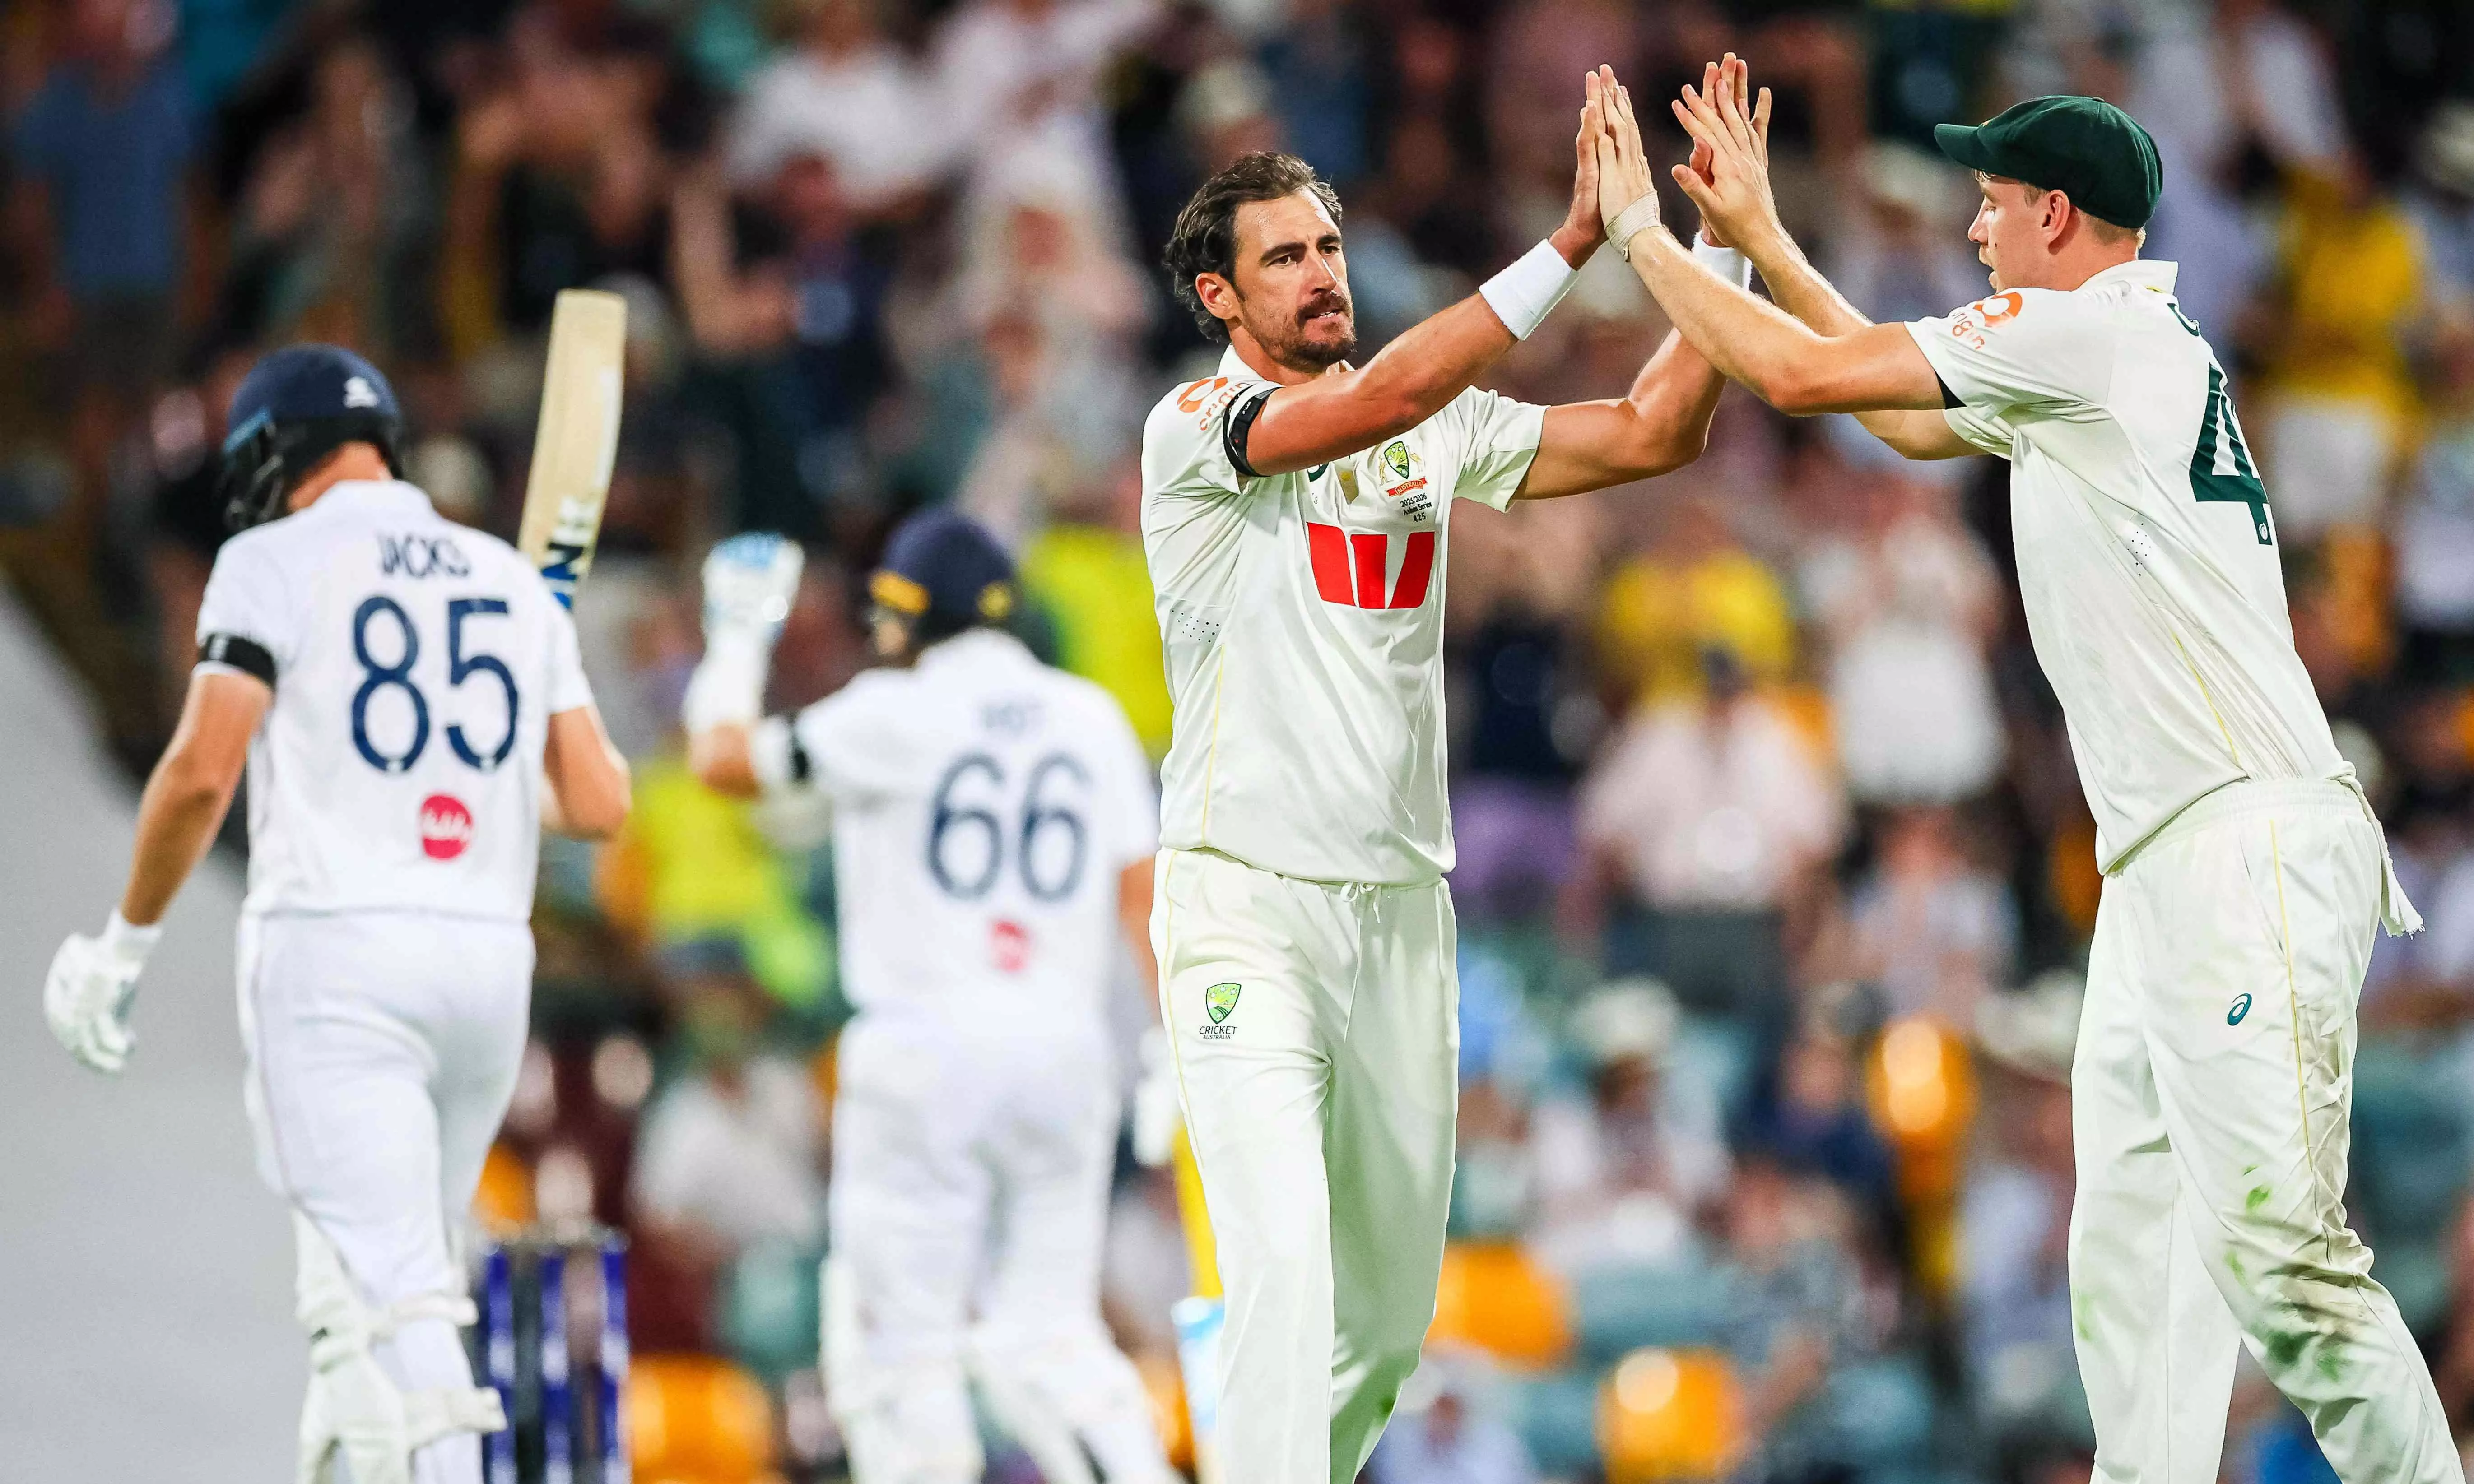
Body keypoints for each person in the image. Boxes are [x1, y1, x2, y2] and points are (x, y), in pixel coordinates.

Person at [1593, 56, 2462, 1484]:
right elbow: (1907, 417)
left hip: (2236, 847)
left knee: (2285, 1268)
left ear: (2060, 216)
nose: (1976, 229)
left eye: (1994, 205)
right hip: (2166, 863)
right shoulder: (2111, 353)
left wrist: (1644, 235)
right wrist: (1762, 242)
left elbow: (1811, 377)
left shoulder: (2092, 342)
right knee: (2130, 1271)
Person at [1140, 64, 1748, 1484]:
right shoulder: (1194, 432)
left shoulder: (1431, 425)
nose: (1319, 274)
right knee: (1283, 1275)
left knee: (1386, 1327)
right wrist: (1580, 241)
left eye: (1330, 247)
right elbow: (1379, 401)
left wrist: (1713, 246)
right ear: (1221, 299)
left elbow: (1660, 431)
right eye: (1282, 257)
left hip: (1403, 917)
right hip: (1245, 905)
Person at [39, 346, 633, 1484]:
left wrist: (123, 944)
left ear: (268, 460)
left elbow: (204, 772)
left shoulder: (270, 560)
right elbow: (598, 800)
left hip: (340, 961)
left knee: (392, 1305)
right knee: (363, 1302)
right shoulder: (510, 580)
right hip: (484, 974)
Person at [680, 513, 1174, 1484]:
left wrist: (735, 642)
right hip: (1066, 1050)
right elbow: (1143, 903)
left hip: (926, 1048)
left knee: (900, 1350)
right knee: (1055, 1337)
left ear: (907, 614)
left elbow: (723, 762)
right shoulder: (1090, 717)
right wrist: (1173, 1054)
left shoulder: (889, 712)